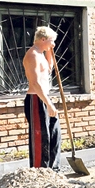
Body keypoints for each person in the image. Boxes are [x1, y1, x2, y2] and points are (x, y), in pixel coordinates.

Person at [22, 26, 61, 171]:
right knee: (40, 137)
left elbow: (48, 69)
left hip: (44, 98)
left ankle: (53, 169)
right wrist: (49, 104)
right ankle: (40, 170)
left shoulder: (41, 54)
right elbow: (35, 83)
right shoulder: (32, 55)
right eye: (52, 41)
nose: (54, 44)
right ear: (43, 39)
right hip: (36, 100)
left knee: (54, 133)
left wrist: (50, 51)